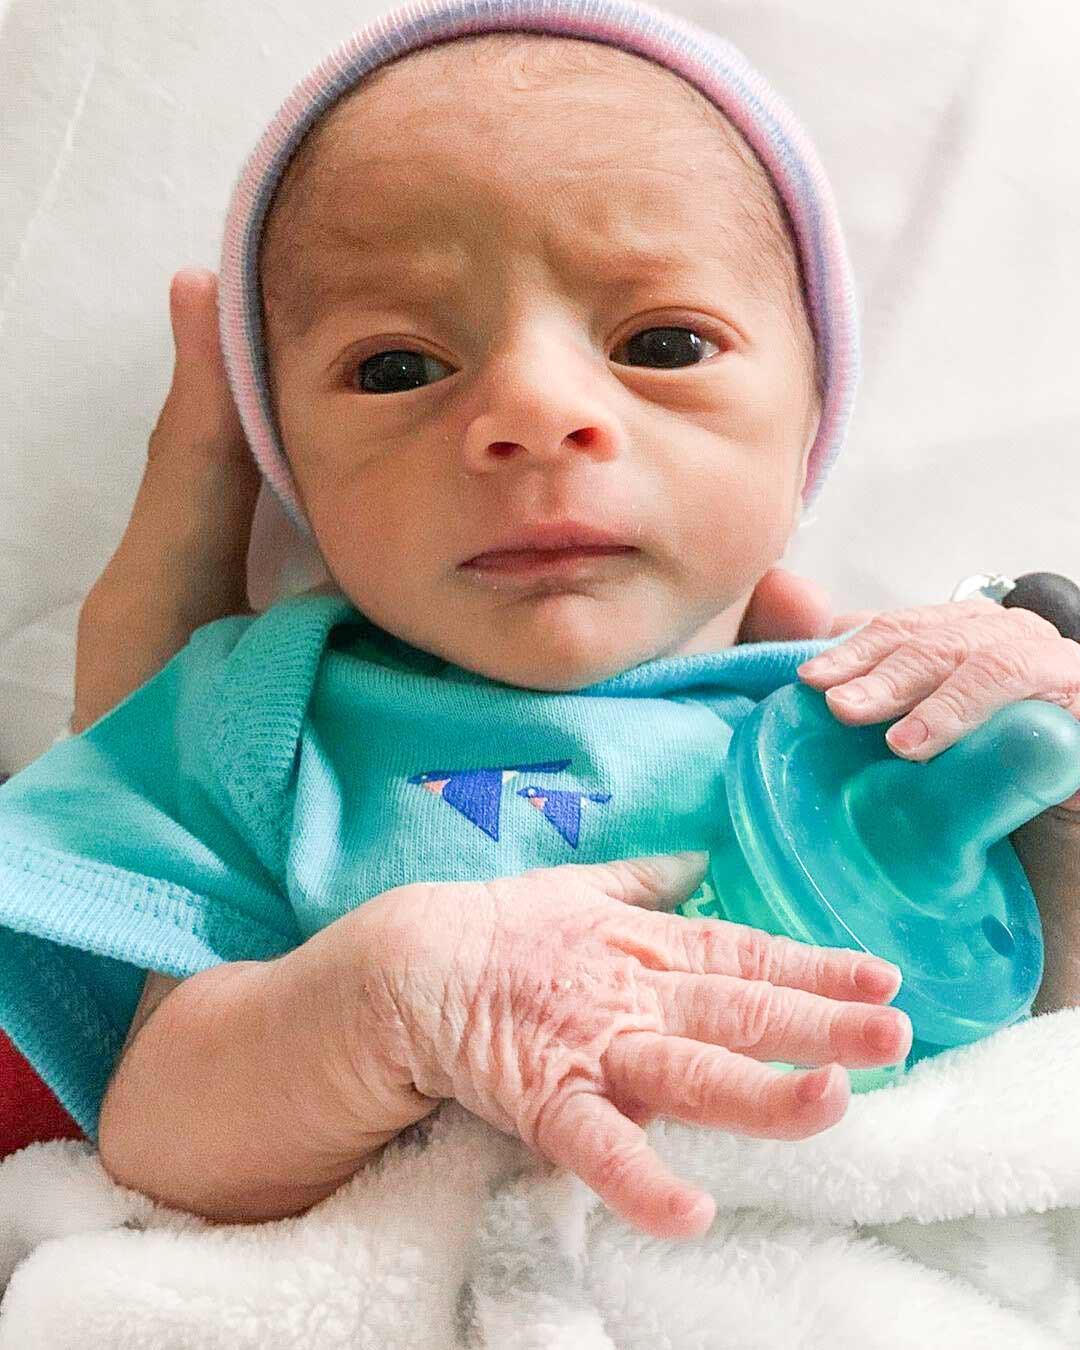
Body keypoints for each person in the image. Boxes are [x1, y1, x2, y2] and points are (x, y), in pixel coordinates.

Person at [1, 5, 1077, 1243]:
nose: (534, 409)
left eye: (662, 342)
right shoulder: (263, 718)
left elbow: (1033, 1045)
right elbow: (151, 1134)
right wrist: (400, 1003)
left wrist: (1054, 767)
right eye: (399, 367)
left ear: (810, 420)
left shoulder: (876, 711)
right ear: (281, 450)